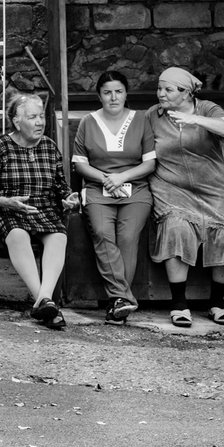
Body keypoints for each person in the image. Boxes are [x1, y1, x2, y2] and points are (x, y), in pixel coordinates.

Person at [0, 93, 80, 329]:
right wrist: (5, 201)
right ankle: (44, 301)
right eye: (33, 117)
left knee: (58, 236)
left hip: (42, 210)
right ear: (17, 122)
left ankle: (44, 302)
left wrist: (67, 198)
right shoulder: (0, 147)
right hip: (8, 212)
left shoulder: (50, 147)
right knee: (18, 235)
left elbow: (61, 186)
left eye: (41, 116)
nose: (40, 122)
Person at [147, 67, 224, 327]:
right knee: (176, 226)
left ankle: (217, 303)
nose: (161, 94)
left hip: (214, 187)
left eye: (168, 89)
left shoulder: (207, 109)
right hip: (171, 187)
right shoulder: (153, 115)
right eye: (159, 88)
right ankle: (179, 304)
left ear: (186, 93)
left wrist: (196, 121)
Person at [72, 71, 156, 325]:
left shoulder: (141, 120)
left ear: (126, 93)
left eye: (118, 91)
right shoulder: (88, 122)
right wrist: (106, 178)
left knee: (128, 237)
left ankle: (117, 301)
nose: (113, 97)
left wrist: (122, 177)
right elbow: (80, 164)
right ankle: (122, 299)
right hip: (99, 190)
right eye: (107, 92)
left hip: (136, 191)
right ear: (99, 95)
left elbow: (149, 163)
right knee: (101, 232)